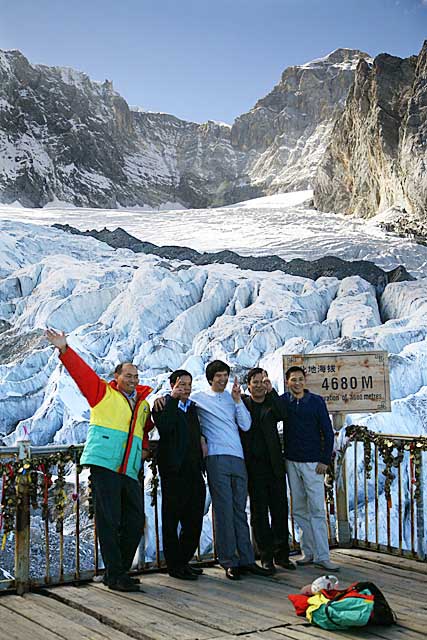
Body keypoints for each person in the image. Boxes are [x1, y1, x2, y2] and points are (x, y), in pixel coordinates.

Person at [45, 328, 153, 591]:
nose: (132, 379)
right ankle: (117, 575)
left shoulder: (142, 404)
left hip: (129, 468)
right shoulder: (102, 393)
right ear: (116, 377)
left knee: (135, 520)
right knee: (109, 520)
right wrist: (64, 350)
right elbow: (83, 375)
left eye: (136, 376)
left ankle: (117, 572)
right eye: (128, 375)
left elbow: (142, 432)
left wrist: (146, 447)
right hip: (104, 464)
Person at [191, 360, 271, 580]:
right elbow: (180, 406)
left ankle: (246, 559)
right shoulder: (199, 398)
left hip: (238, 457)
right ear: (210, 378)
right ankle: (228, 560)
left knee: (239, 509)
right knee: (223, 509)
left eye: (225, 374)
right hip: (216, 457)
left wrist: (237, 401)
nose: (223, 379)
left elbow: (246, 424)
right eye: (218, 375)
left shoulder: (234, 398)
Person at [281, 366, 338, 572]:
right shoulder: (284, 401)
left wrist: (325, 460)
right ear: (287, 382)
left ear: (305, 381)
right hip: (291, 461)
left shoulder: (316, 402)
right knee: (298, 509)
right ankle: (309, 552)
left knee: (316, 508)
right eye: (293, 380)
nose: (297, 383)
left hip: (313, 463)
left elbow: (328, 432)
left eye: (300, 379)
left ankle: (323, 555)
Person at [152, 369, 206, 581]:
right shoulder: (163, 406)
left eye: (189, 385)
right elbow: (165, 428)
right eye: (181, 384)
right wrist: (172, 400)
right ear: (172, 384)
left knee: (194, 519)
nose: (185, 388)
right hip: (173, 472)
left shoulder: (192, 409)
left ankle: (184, 560)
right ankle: (174, 565)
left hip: (193, 470)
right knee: (172, 519)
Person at [241, 367, 295, 573]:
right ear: (248, 385)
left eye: (262, 381)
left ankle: (282, 554)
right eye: (255, 381)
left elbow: (284, 415)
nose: (259, 385)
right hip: (254, 467)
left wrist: (271, 391)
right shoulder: (244, 404)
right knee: (259, 513)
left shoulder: (273, 403)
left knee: (280, 510)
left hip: (274, 466)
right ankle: (265, 556)